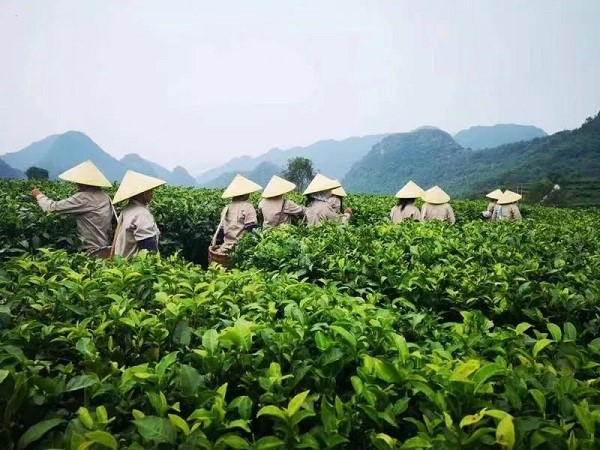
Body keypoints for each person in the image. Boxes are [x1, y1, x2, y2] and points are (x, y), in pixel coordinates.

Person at [30, 160, 114, 256]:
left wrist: (38, 195)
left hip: (91, 251)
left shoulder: (83, 198)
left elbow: (52, 207)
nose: (76, 185)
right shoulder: (105, 196)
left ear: (84, 183)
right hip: (106, 249)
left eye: (77, 182)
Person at [112, 170, 165, 258]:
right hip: (135, 266)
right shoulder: (141, 214)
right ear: (143, 193)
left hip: (123, 265)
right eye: (150, 191)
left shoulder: (127, 210)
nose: (152, 194)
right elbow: (148, 247)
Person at [212, 174, 262, 254]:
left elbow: (221, 231)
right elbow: (251, 229)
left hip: (225, 248)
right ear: (244, 194)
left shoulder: (226, 208)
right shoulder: (247, 207)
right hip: (241, 249)